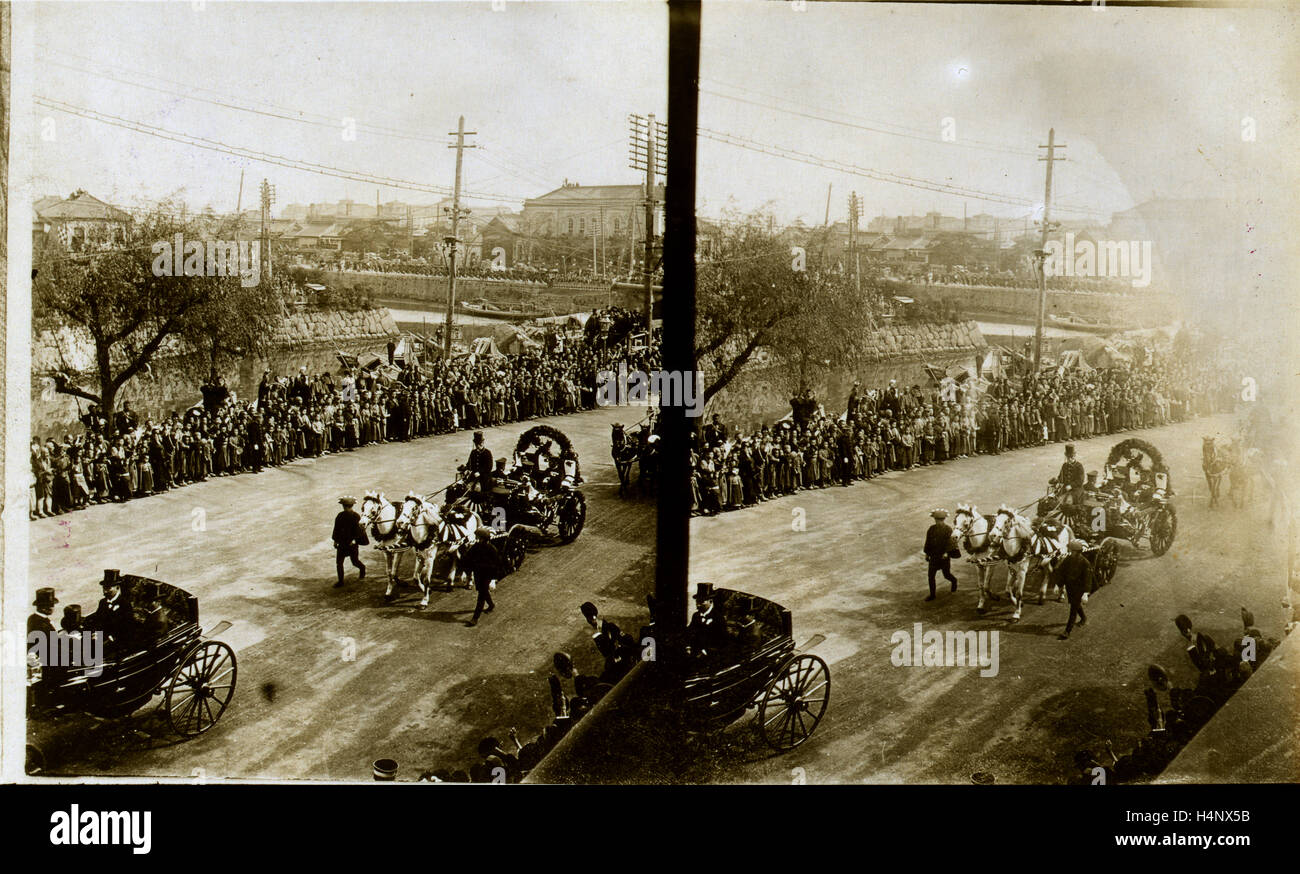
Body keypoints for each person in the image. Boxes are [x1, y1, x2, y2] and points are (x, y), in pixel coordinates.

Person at [83, 569, 137, 649]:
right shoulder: (103, 602)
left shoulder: (125, 605)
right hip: (101, 637)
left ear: (117, 587)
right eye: (104, 588)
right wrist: (94, 632)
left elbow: (126, 629)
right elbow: (98, 619)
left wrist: (107, 638)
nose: (104, 591)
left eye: (108, 588)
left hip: (117, 643)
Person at [463, 527, 503, 627]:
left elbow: (497, 565)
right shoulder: (475, 547)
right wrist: (466, 572)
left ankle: (475, 618)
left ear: (484, 539)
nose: (477, 539)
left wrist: (494, 579)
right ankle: (491, 605)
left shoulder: (492, 549)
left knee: (481, 594)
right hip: (478, 573)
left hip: (487, 574)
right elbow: (468, 559)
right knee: (483, 591)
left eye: (479, 538)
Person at [1055, 539, 1092, 640]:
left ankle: (1067, 631)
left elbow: (1088, 579)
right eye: (1070, 550)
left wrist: (1085, 593)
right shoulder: (1069, 559)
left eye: (1072, 551)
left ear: (1077, 552)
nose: (1070, 552)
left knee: (1073, 609)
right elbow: (1062, 572)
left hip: (1080, 589)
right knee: (1074, 604)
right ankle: (1083, 618)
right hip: (1070, 587)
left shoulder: (1085, 563)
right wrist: (1058, 585)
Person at [331, 496, 368, 588]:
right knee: (339, 563)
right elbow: (337, 529)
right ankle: (340, 581)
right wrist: (336, 541)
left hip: (352, 544)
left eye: (346, 506)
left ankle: (362, 568)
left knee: (354, 561)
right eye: (345, 506)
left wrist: (355, 540)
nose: (346, 507)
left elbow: (360, 531)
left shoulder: (356, 516)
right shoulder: (340, 516)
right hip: (342, 543)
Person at [923, 509, 959, 602]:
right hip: (934, 557)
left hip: (944, 557)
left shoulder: (948, 529)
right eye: (937, 520)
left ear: (943, 519)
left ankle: (954, 581)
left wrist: (947, 553)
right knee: (931, 576)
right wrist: (927, 554)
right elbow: (928, 542)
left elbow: (952, 543)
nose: (938, 521)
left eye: (940, 520)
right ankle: (932, 595)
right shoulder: (931, 529)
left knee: (946, 575)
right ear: (935, 519)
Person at [686, 582, 729, 657]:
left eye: (701, 602)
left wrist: (705, 652)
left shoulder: (718, 618)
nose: (697, 604)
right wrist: (688, 646)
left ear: (710, 601)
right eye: (697, 601)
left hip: (710, 656)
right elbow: (689, 632)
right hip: (693, 652)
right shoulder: (696, 616)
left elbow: (722, 641)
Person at [1058, 444, 1086, 514]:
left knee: (1069, 500)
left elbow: (1080, 480)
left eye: (1071, 457)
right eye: (1068, 457)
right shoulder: (1064, 465)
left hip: (1076, 489)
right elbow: (1060, 477)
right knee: (1056, 498)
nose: (1070, 459)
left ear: (1074, 456)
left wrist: (1071, 486)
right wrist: (1058, 482)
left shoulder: (1079, 466)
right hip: (1065, 488)